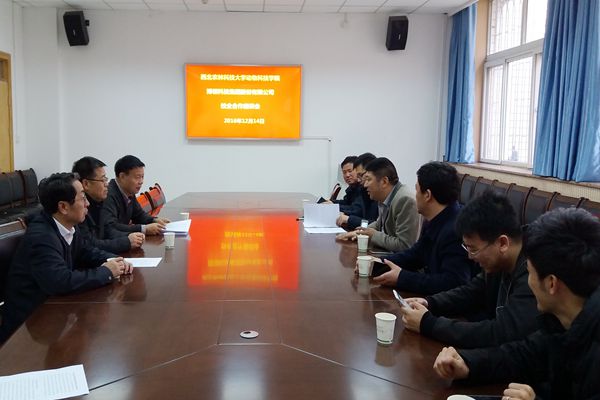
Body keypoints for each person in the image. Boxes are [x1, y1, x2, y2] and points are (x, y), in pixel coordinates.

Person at [433, 208, 600, 400]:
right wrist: (468, 364)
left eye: (530, 273)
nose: (528, 281)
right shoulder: (561, 321)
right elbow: (523, 355)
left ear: (551, 284)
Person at [0, 173, 132, 343]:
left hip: (53, 309)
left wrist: (114, 260)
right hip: (28, 326)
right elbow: (60, 281)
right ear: (63, 207)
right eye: (82, 198)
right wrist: (106, 272)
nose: (88, 204)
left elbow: (86, 251)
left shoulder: (66, 226)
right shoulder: (42, 237)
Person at [398, 191, 538, 348]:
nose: (470, 257)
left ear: (503, 243)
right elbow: (472, 291)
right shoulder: (498, 261)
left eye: (473, 249)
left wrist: (428, 324)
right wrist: (430, 303)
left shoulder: (535, 272)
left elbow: (500, 333)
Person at [373, 162, 474, 295]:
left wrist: (402, 278)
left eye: (417, 190)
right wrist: (377, 263)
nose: (415, 195)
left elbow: (453, 282)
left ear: (427, 195)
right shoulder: (435, 219)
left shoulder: (455, 230)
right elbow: (416, 254)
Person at [338, 157, 419, 252]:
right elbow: (379, 224)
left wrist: (373, 235)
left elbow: (404, 245)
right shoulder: (383, 197)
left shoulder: (404, 200)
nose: (365, 185)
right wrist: (359, 233)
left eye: (368, 180)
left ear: (384, 181)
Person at [72, 156, 145, 253]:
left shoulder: (98, 202)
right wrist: (126, 242)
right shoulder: (77, 209)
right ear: (86, 184)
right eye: (103, 180)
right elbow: (90, 245)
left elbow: (107, 231)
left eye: (106, 179)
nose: (106, 184)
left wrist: (130, 236)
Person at [103, 155, 169, 236]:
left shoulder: (128, 191)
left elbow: (138, 215)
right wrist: (143, 229)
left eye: (142, 177)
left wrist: (154, 220)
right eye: (137, 177)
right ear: (122, 176)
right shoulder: (108, 195)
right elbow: (112, 226)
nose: (141, 181)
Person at [335, 152, 379, 230]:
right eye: (344, 172)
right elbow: (369, 224)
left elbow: (377, 227)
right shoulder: (366, 191)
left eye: (361, 175)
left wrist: (349, 219)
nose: (359, 180)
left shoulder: (383, 198)